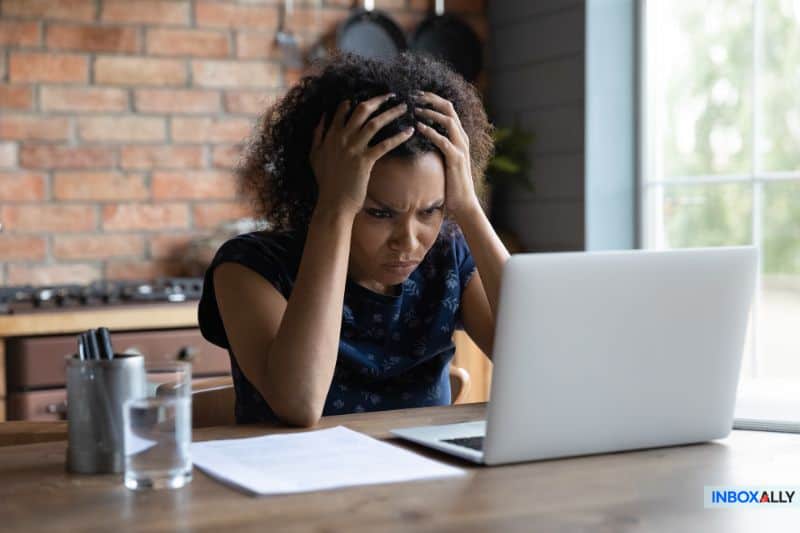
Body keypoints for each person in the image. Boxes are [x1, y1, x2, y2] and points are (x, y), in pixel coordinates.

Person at [198, 52, 509, 427]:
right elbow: (300, 403)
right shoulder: (251, 267)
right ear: (322, 189)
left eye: (431, 211)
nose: (408, 242)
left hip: (420, 481)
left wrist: (469, 208)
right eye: (379, 213)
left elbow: (542, 363)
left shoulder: (448, 257)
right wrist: (334, 210)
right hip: (295, 481)